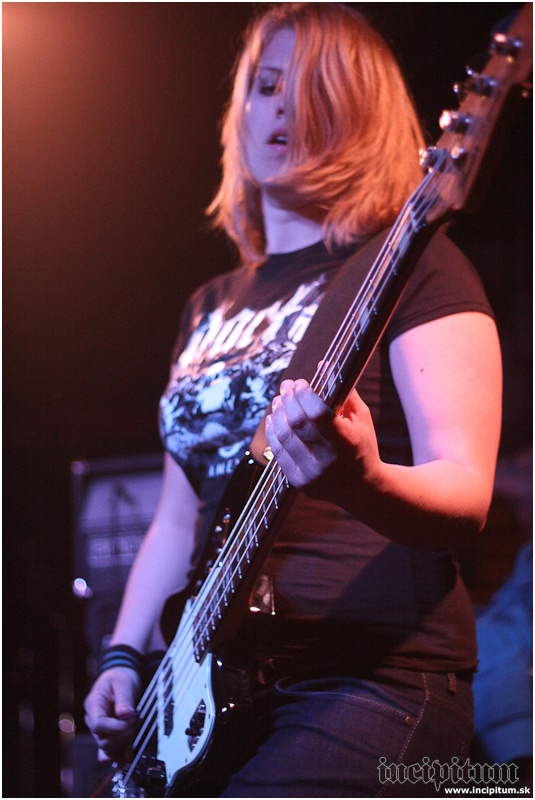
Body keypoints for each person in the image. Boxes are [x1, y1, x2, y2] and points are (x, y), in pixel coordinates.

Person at [84, 3, 503, 796]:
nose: (281, 107)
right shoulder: (208, 305)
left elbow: (465, 492)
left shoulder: (416, 263)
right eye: (266, 85)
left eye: (312, 89)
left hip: (368, 677)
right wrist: (124, 654)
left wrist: (360, 478)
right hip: (212, 680)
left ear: (361, 113)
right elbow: (177, 515)